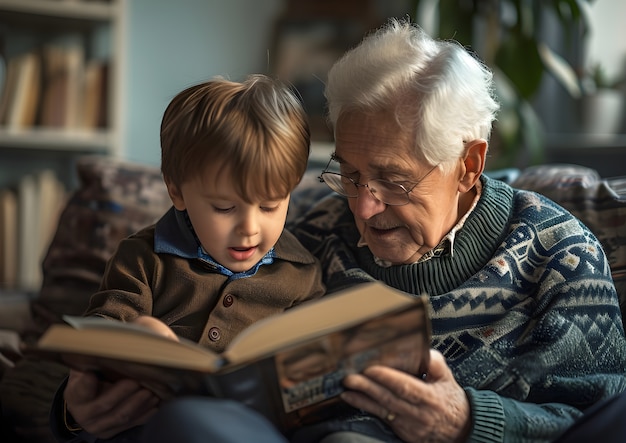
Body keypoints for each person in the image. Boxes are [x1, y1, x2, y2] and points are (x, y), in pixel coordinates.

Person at [137, 18, 626, 443]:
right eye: (350, 175)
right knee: (188, 422)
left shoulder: (559, 252)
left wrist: (469, 422)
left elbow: (593, 413)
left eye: (393, 182)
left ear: (468, 165)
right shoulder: (308, 239)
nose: (364, 209)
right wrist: (90, 407)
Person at [49, 74, 326, 442]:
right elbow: (102, 332)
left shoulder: (302, 273)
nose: (250, 227)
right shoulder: (144, 258)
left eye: (270, 206)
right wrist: (135, 336)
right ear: (177, 192)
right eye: (225, 208)